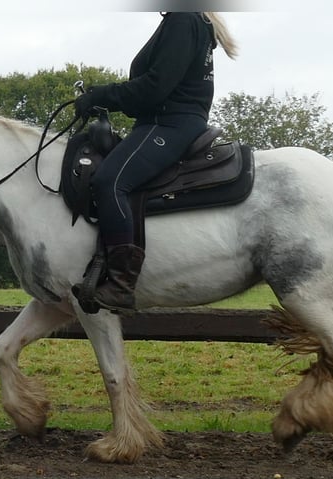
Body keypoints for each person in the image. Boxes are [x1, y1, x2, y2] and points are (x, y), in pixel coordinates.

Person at [73, 11, 238, 313]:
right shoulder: (186, 19)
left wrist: (102, 95)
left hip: (169, 124)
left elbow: (155, 86)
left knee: (110, 181)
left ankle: (122, 283)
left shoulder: (183, 19)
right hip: (162, 122)